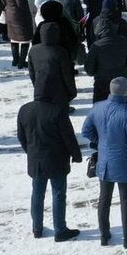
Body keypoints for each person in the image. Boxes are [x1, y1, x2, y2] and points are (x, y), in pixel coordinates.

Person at [17, 73, 82, 242]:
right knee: (58, 193)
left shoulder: (24, 110)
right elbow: (68, 136)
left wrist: (30, 151)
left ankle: (37, 228)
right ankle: (60, 229)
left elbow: (21, 137)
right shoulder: (57, 111)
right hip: (57, 160)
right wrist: (76, 155)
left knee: (37, 194)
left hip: (36, 160)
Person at [82, 77, 127, 248]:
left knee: (104, 199)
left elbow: (86, 131)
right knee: (126, 201)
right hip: (124, 162)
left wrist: (99, 141)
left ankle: (104, 235)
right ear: (126, 92)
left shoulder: (97, 107)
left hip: (105, 162)